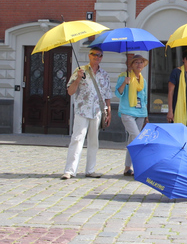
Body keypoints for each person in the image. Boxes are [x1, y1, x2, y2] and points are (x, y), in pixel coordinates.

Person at [62, 47, 112, 180]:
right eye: (94, 55)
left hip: (97, 111)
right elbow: (70, 91)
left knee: (94, 141)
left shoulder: (104, 74)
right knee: (77, 139)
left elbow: (107, 95)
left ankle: (90, 170)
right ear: (89, 56)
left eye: (100, 55)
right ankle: (70, 170)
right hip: (82, 110)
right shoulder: (80, 71)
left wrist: (109, 111)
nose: (97, 57)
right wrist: (78, 79)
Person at [116, 54, 148, 177]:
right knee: (137, 137)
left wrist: (145, 115)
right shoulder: (124, 77)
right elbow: (118, 94)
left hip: (140, 113)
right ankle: (140, 167)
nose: (139, 65)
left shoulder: (143, 80)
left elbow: (144, 98)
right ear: (131, 65)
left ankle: (127, 168)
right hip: (127, 112)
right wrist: (124, 83)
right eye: (136, 62)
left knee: (132, 140)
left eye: (141, 62)